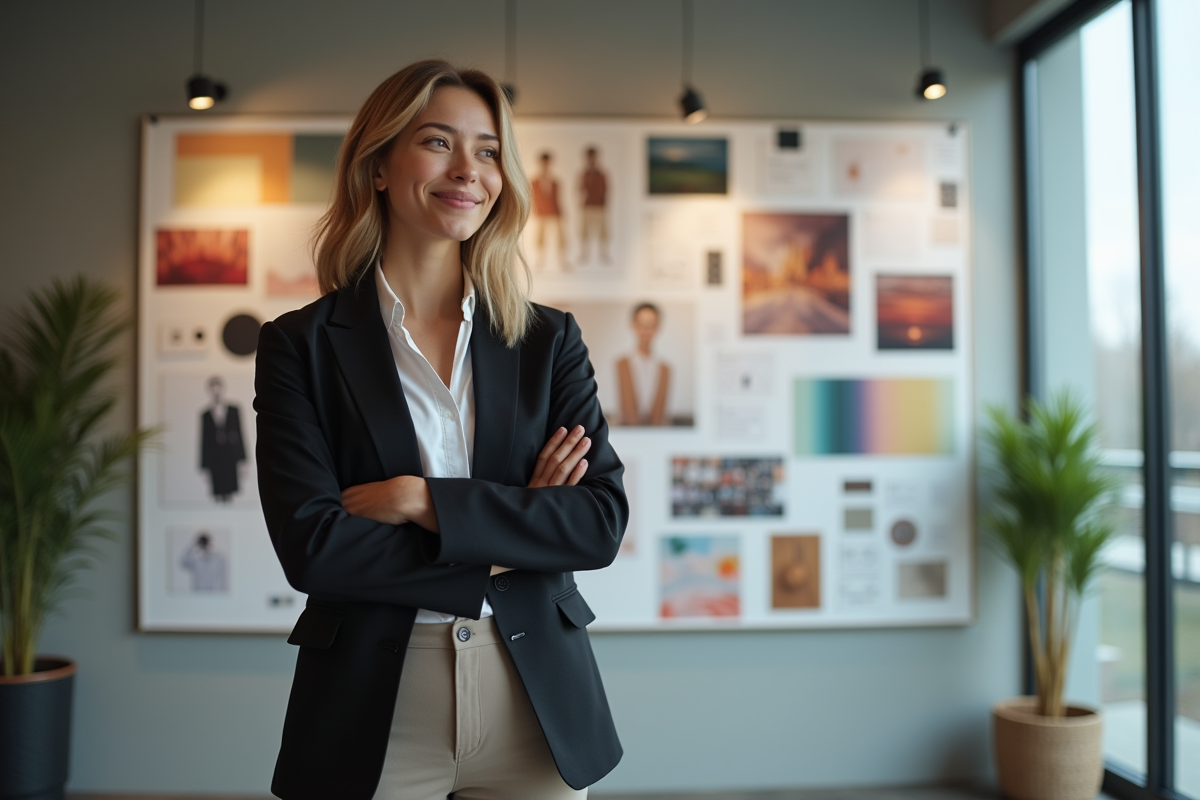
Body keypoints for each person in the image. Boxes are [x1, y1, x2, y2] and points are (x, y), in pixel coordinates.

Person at [254, 60, 627, 800]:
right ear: (380, 165)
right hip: (372, 703)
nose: (468, 170)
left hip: (536, 702)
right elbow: (316, 548)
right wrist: (510, 536)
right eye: (437, 142)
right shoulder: (301, 344)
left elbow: (594, 524)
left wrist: (421, 501)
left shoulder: (547, 341)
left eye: (488, 151)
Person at [615, 302, 671, 426]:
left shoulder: (666, 369)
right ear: (634, 325)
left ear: (657, 328)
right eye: (642, 325)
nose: (646, 330)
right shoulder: (620, 364)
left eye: (651, 325)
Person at [199, 376, 245, 502]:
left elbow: (240, 434)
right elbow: (203, 442)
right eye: (213, 390)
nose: (216, 394)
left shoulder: (233, 410)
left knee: (231, 489)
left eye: (218, 390)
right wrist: (204, 466)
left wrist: (242, 458)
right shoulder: (205, 415)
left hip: (230, 455)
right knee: (218, 491)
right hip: (215, 458)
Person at [531, 151, 568, 272]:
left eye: (547, 163)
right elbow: (533, 198)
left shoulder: (555, 181)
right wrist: (534, 212)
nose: (545, 165)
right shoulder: (534, 181)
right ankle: (540, 260)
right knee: (541, 238)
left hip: (554, 213)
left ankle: (562, 260)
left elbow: (558, 198)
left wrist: (562, 213)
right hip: (541, 214)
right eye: (544, 163)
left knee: (560, 238)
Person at [577, 146, 609, 263]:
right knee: (584, 231)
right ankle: (584, 254)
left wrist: (603, 203)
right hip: (587, 206)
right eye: (589, 158)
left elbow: (606, 190)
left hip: (599, 207)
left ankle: (604, 254)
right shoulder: (584, 174)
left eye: (593, 157)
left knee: (603, 232)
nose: (591, 160)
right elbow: (580, 189)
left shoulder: (602, 174)